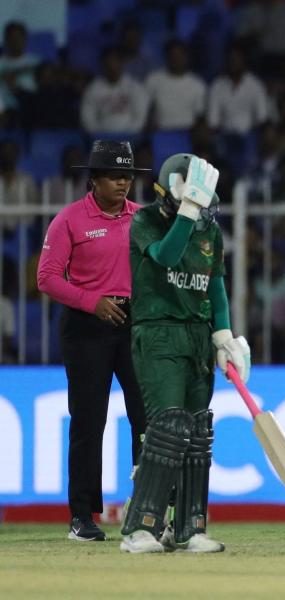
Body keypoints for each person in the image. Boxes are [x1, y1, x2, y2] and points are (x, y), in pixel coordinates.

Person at [118, 153, 250, 553]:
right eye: (196, 197)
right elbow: (166, 256)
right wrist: (187, 213)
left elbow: (216, 287)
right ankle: (140, 527)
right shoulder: (144, 221)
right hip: (158, 332)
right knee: (167, 427)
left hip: (197, 335)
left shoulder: (212, 231)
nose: (205, 204)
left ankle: (189, 528)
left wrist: (224, 336)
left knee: (196, 432)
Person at [36, 140, 149, 542]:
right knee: (89, 422)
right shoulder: (69, 220)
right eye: (115, 176)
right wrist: (92, 302)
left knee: (146, 420)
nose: (124, 183)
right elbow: (46, 277)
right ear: (94, 180)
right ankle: (82, 517)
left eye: (128, 176)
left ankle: (147, 512)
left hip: (134, 324)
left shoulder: (143, 218)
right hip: (87, 328)